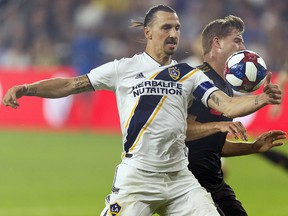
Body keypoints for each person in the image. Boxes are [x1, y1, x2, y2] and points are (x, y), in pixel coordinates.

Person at [2, 5, 283, 216]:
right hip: (138, 178)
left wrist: (261, 99)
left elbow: (227, 104)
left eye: (177, 28)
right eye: (166, 28)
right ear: (148, 32)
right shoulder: (123, 69)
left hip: (180, 181)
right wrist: (27, 88)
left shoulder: (189, 74)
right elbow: (70, 84)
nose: (173, 33)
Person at [185, 15, 286, 216]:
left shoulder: (225, 87)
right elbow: (179, 131)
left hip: (213, 182)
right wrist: (262, 99)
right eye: (237, 40)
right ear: (217, 43)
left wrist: (254, 147)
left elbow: (215, 145)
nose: (243, 46)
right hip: (186, 184)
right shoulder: (193, 79)